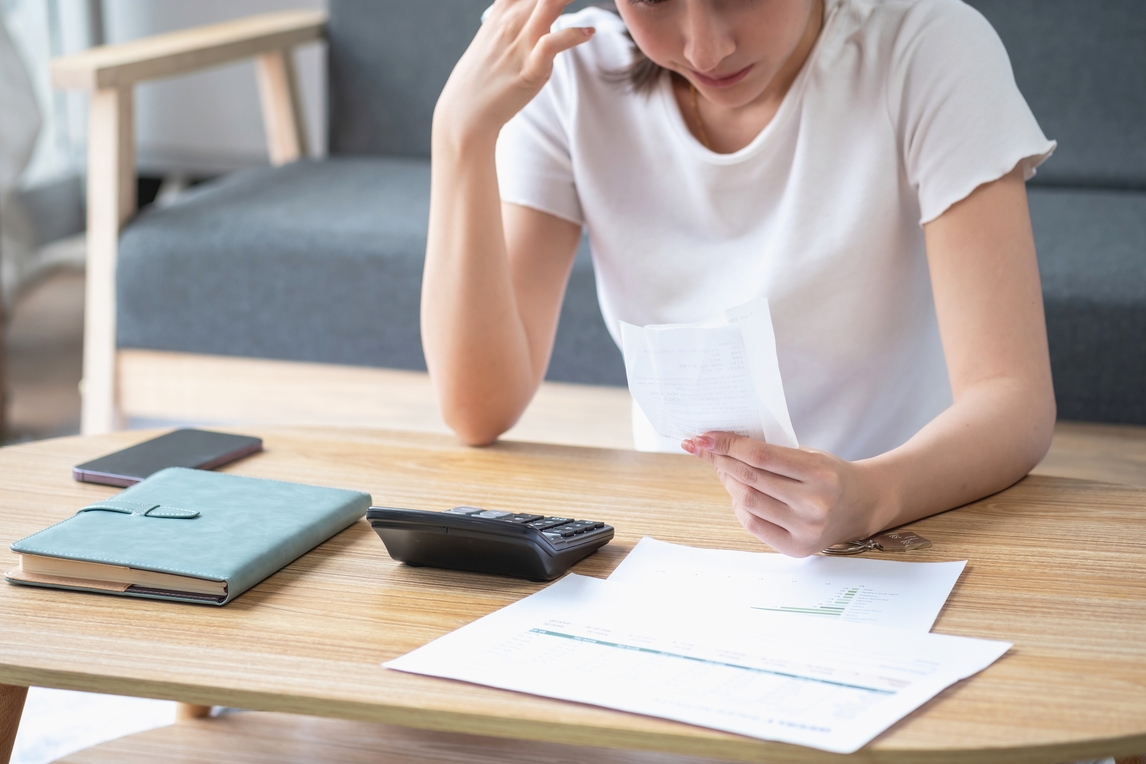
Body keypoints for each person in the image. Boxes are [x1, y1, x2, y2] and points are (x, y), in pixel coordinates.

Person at [421, 0, 1056, 557]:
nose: (705, 46)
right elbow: (480, 408)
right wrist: (459, 134)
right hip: (678, 534)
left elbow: (1012, 400)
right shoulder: (568, 72)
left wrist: (870, 496)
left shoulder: (928, 48)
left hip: (911, 521)